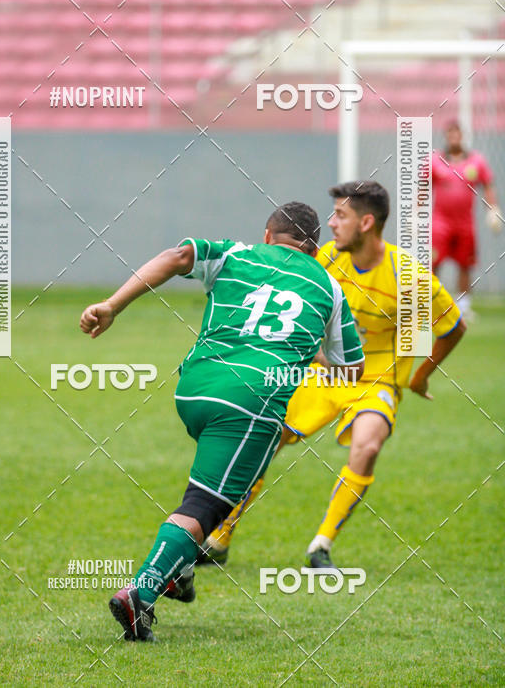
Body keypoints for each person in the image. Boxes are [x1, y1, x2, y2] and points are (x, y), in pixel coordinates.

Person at [79, 201, 364, 641]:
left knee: (218, 482)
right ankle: (142, 592)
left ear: (269, 235)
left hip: (193, 388)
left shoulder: (237, 253)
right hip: (251, 403)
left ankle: (181, 570)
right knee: (206, 504)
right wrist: (309, 350)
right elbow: (352, 370)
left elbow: (177, 257)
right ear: (315, 248)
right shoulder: (328, 286)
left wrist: (113, 305)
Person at [198, 181, 466, 571]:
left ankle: (320, 547)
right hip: (322, 376)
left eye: (341, 215)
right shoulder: (324, 259)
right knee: (264, 439)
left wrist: (420, 376)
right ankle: (219, 538)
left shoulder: (407, 277)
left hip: (375, 381)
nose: (332, 223)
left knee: (368, 446)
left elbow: (452, 327)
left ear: (367, 222)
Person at [432, 121, 502, 319]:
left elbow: (488, 186)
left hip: (465, 223)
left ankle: (463, 306)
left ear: (462, 136)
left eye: (457, 133)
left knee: (465, 264)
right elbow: (422, 188)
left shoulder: (476, 161)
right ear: (446, 136)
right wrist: (415, 212)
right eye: (450, 133)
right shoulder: (435, 160)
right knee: (432, 263)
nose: (454, 137)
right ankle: (430, 304)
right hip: (440, 223)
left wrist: (493, 208)